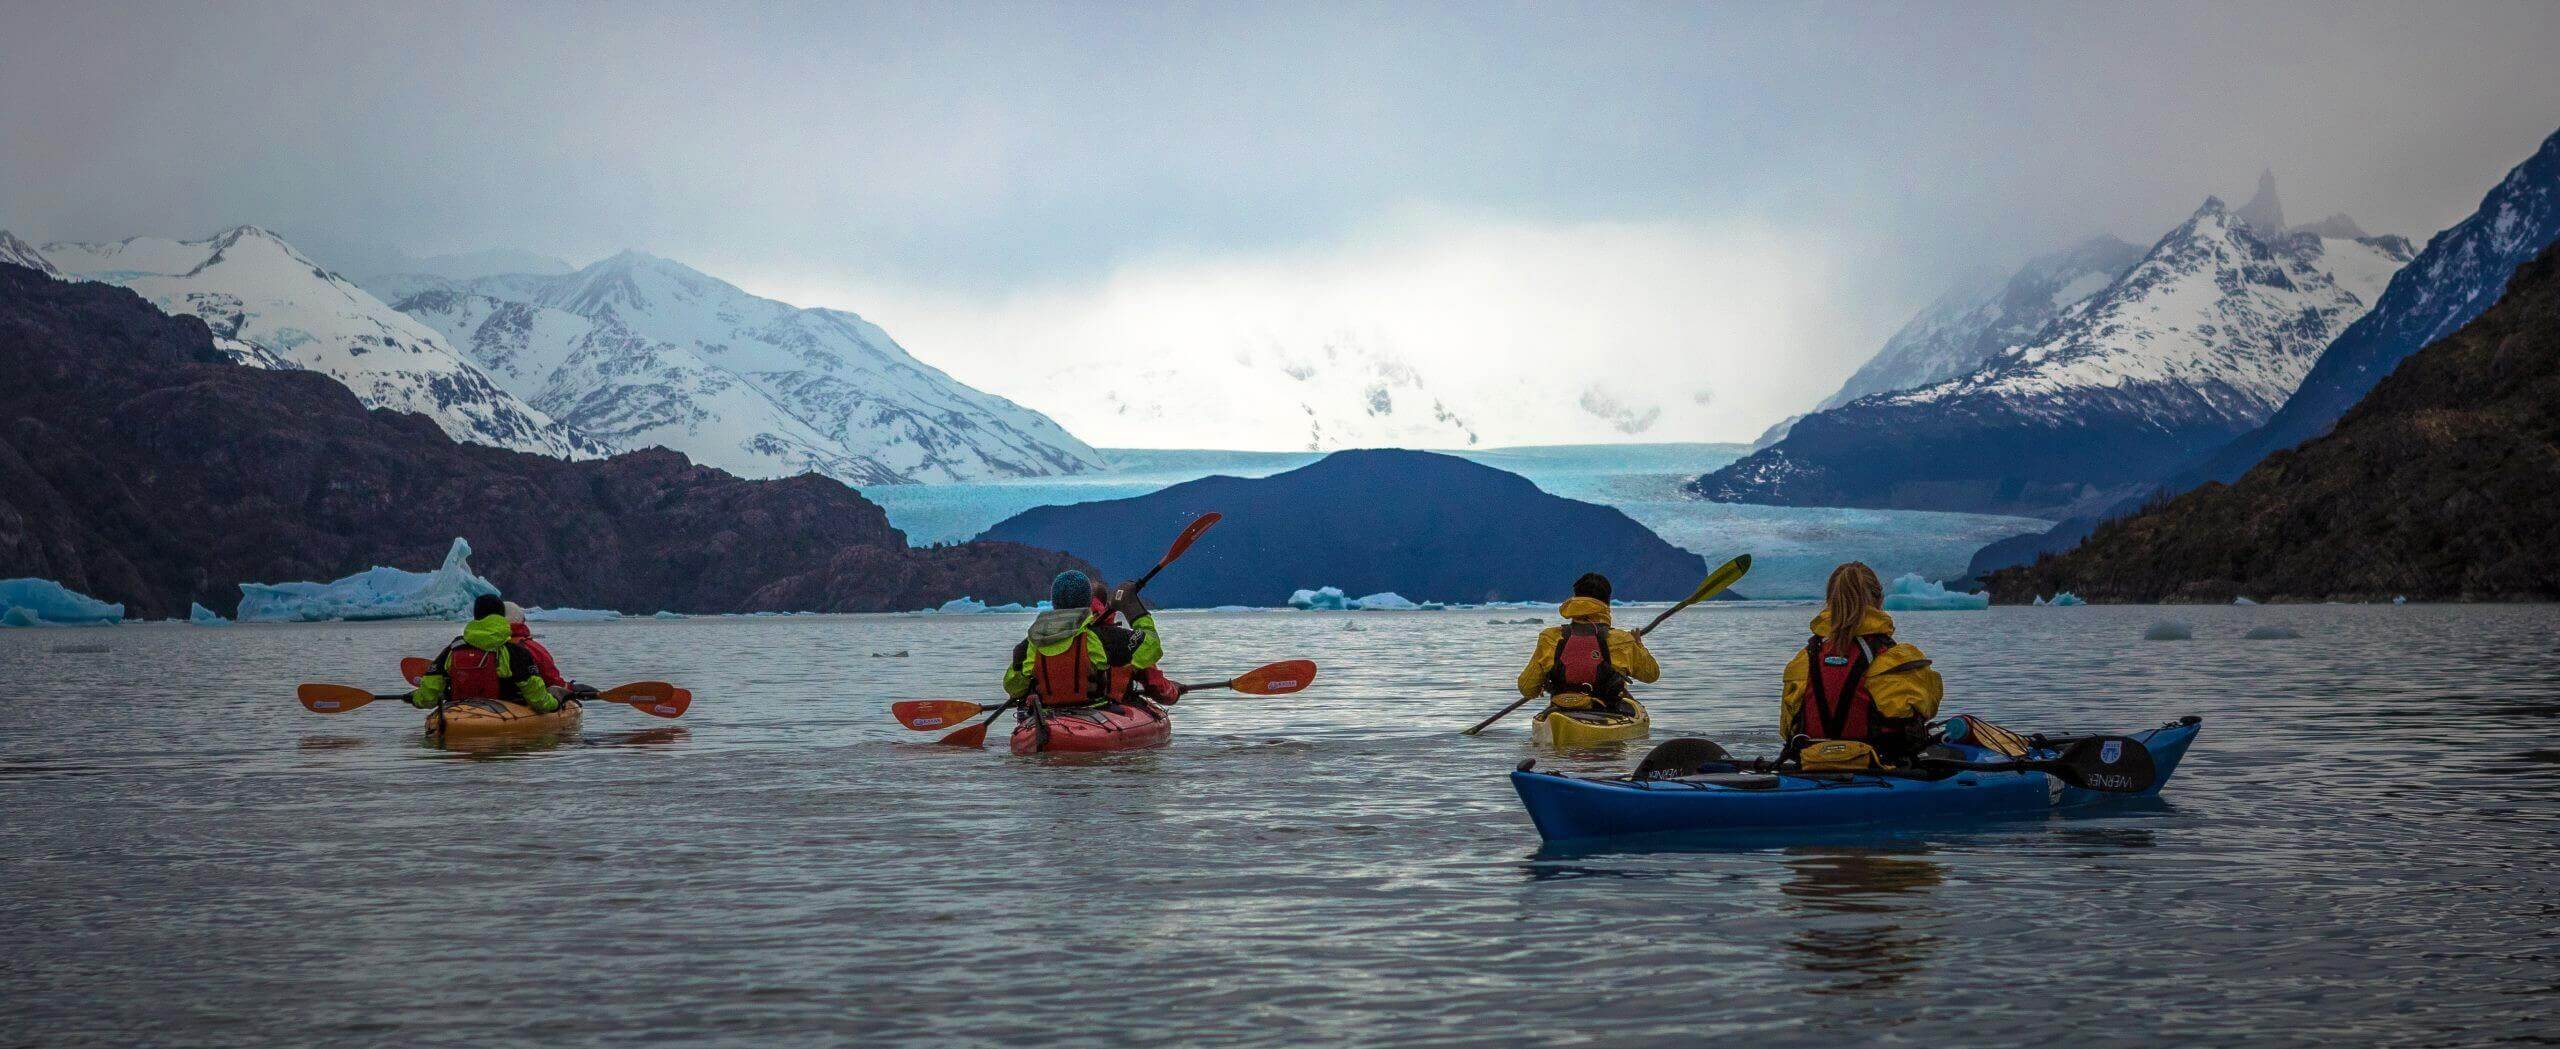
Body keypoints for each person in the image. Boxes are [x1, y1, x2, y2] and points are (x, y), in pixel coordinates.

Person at [1781, 562, 1943, 764]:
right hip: (1882, 769)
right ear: (1880, 599)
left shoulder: (1802, 661)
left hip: (1811, 766)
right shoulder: (1899, 660)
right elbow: (1927, 708)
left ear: (1830, 601)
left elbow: (1786, 729)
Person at [1516, 572, 1660, 714]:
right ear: (1608, 602)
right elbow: (1651, 675)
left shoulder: (1550, 637)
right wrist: (1638, 645)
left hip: (1561, 710)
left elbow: (1527, 688)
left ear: (1575, 598)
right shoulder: (1622, 640)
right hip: (1606, 712)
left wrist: (1540, 685)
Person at [410, 594, 562, 713]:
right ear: (501, 617)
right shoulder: (515, 652)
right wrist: (555, 703)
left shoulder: (453, 648)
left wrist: (414, 698)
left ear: (475, 616)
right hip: (503, 714)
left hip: (457, 712)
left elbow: (428, 697)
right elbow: (537, 697)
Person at [501, 601, 580, 693]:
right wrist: (568, 688)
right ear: (522, 620)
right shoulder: (531, 648)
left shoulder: (485, 645)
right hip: (522, 700)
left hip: (487, 700)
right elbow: (552, 680)